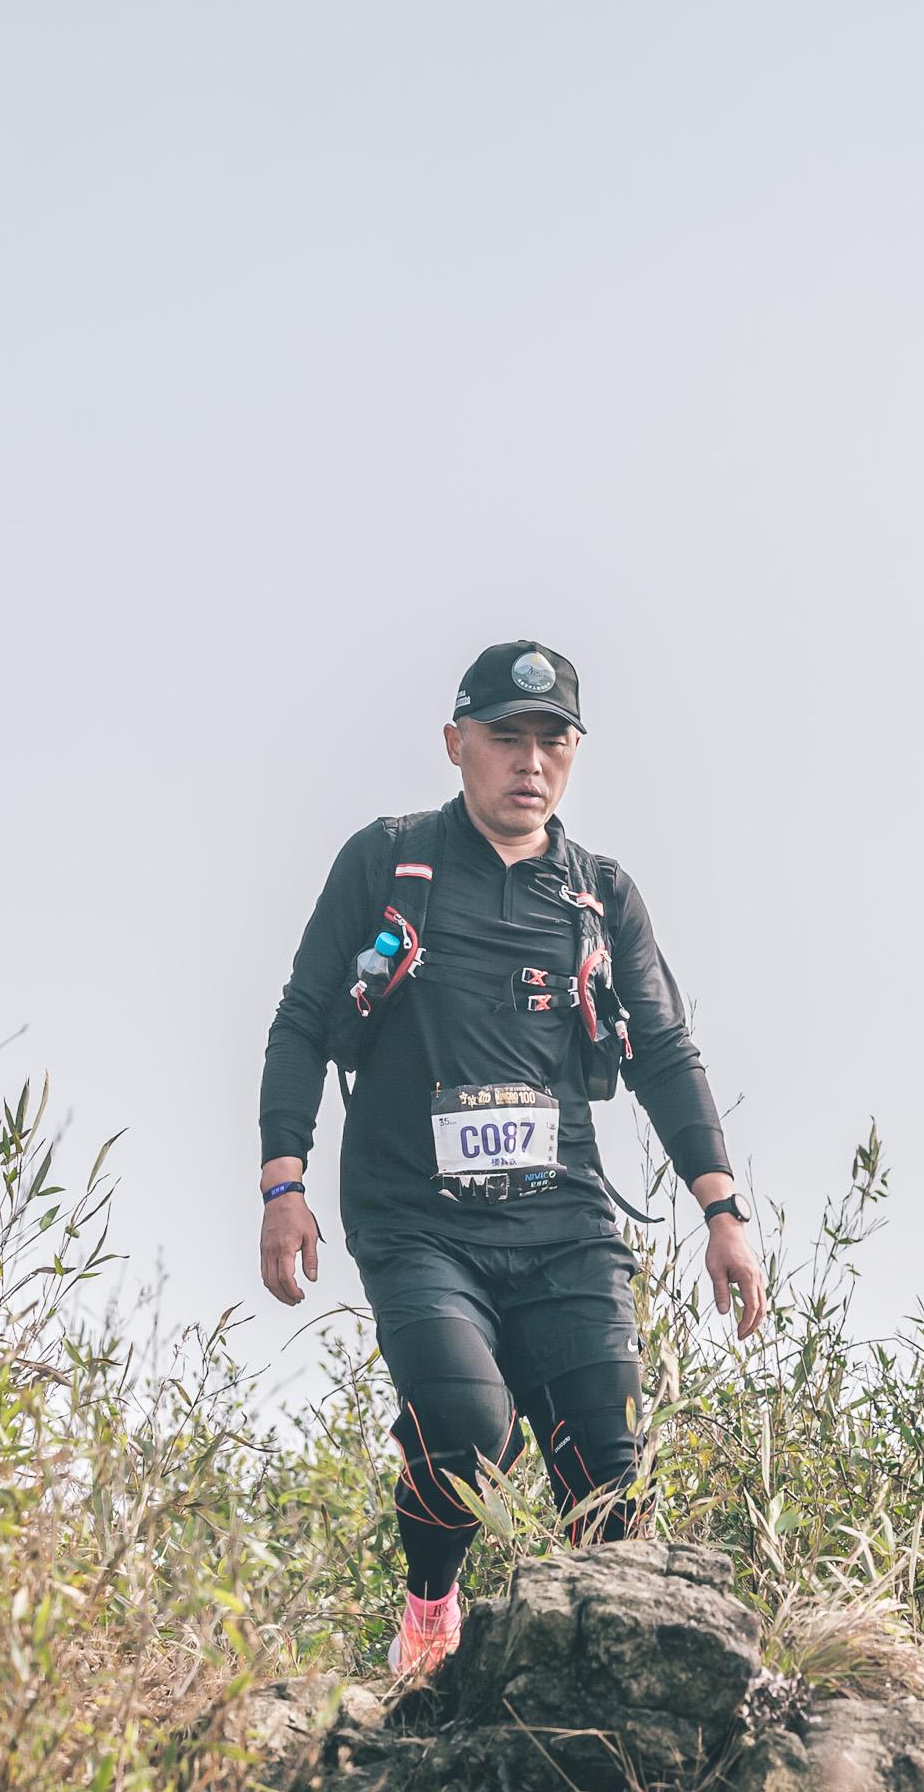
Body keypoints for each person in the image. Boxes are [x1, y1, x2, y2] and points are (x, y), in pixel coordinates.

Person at [257, 640, 765, 1685]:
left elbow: (666, 1053)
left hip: (562, 1226)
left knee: (609, 1478)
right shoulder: (388, 861)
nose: (530, 761)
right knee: (465, 1424)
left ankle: (596, 1691)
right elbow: (302, 1020)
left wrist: (724, 1210)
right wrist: (283, 1183)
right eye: (505, 736)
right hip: (417, 1220)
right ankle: (428, 1615)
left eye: (552, 739)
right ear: (457, 743)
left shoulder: (600, 896)